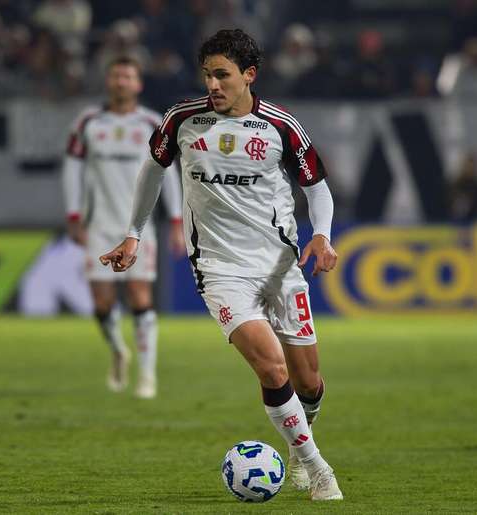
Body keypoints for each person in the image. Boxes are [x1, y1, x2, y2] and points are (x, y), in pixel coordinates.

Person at [100, 29, 343, 501]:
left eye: (223, 75)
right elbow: (152, 170)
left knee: (308, 382)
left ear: (249, 75)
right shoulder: (181, 120)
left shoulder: (280, 126)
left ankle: (297, 443)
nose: (213, 84)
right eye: (208, 74)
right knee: (272, 370)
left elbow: (317, 187)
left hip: (279, 266)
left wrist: (322, 236)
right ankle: (319, 469)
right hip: (218, 268)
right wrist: (133, 233)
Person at [62, 56, 185, 399]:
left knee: (139, 296)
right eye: (116, 76)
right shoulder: (88, 122)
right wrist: (74, 215)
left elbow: (168, 172)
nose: (121, 82)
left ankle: (147, 375)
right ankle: (118, 350)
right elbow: (72, 170)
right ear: (108, 82)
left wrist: (176, 220)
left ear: (138, 84)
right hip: (99, 223)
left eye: (128, 76)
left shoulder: (150, 123)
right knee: (102, 303)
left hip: (139, 226)